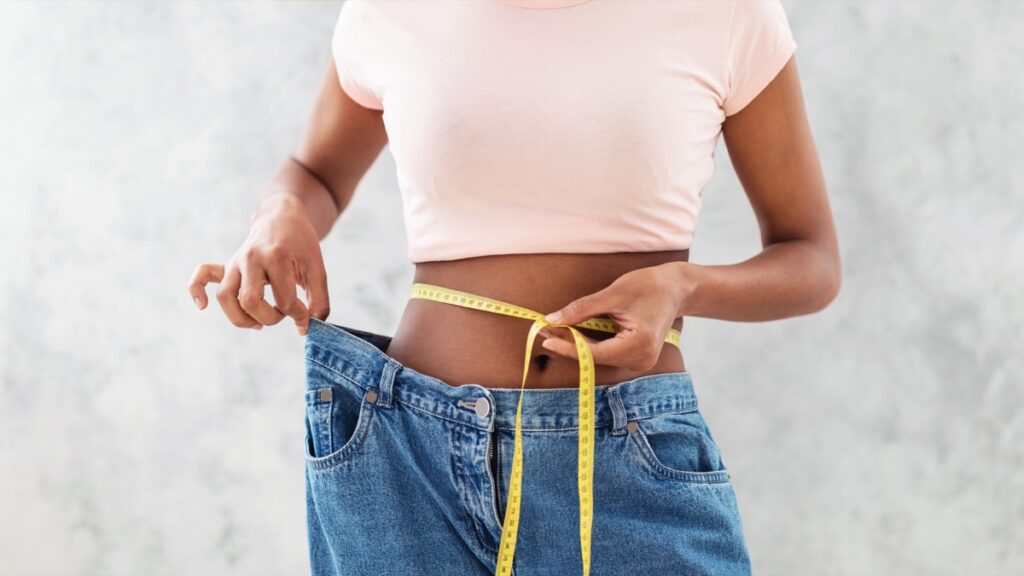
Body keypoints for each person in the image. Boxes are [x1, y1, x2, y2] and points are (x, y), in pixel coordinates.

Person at [188, 1, 840, 574]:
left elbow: (810, 257)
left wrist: (684, 286)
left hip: (627, 459)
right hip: (405, 459)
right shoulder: (388, 8)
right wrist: (280, 215)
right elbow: (315, 174)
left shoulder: (727, 12)